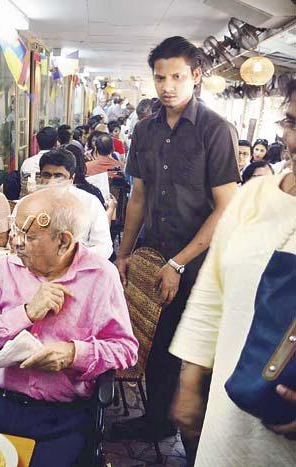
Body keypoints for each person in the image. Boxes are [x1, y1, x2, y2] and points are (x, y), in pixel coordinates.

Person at [0, 187, 138, 467]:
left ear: (64, 242)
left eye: (28, 236)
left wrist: (73, 354)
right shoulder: (3, 270)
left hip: (58, 417)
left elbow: (125, 349)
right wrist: (25, 314)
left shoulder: (101, 277)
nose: (14, 243)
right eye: (15, 231)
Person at [112, 36, 239, 449]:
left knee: (194, 352)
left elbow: (225, 208)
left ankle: (197, 440)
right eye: (160, 77)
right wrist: (124, 253)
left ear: (196, 76)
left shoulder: (215, 130)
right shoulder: (145, 131)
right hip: (153, 255)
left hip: (201, 262)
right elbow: (139, 197)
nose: (167, 86)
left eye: (177, 76)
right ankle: (157, 422)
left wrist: (180, 263)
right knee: (157, 344)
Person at [169, 79, 296, 466]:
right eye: (292, 122)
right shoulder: (253, 197)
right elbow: (212, 291)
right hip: (228, 414)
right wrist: (191, 379)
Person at [39, 148, 114, 258]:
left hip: (80, 267)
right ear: (40, 176)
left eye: (58, 176)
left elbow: (104, 247)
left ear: (71, 179)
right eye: (46, 175)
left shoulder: (90, 203)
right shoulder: (29, 204)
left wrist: (73, 256)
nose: (52, 181)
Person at [20, 127, 58, 194]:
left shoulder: (27, 163)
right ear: (56, 143)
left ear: (37, 144)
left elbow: (22, 183)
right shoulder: (60, 164)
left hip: (28, 200)